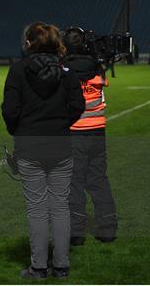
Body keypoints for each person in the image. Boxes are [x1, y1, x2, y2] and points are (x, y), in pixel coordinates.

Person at [1, 22, 84, 280]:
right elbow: (78, 105)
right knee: (60, 207)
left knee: (37, 209)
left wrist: (21, 130)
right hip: (60, 145)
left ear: (29, 43)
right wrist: (60, 124)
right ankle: (61, 266)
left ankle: (39, 267)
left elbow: (10, 110)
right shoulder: (66, 71)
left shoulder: (18, 70)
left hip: (30, 146)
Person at [62, 27, 118, 246]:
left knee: (74, 182)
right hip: (98, 130)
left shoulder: (64, 69)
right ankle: (108, 229)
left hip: (75, 131)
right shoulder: (96, 67)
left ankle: (76, 232)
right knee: (98, 179)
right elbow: (103, 86)